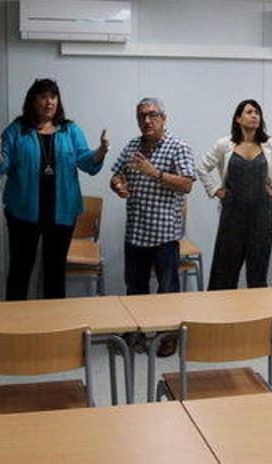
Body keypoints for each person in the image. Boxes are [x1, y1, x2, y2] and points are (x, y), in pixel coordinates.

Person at [0, 78, 108, 300]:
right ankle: (14, 328)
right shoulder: (17, 129)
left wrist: (100, 152)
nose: (49, 102)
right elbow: (1, 165)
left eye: (53, 97)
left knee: (55, 271)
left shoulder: (70, 130)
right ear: (33, 101)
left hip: (62, 212)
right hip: (23, 212)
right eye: (43, 97)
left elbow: (85, 161)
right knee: (20, 271)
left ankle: (54, 328)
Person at [110, 97, 195, 356]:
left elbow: (187, 184)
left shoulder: (177, 147)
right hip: (135, 231)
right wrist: (117, 185)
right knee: (135, 287)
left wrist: (154, 173)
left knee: (167, 289)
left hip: (164, 234)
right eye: (142, 116)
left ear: (163, 118)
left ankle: (168, 335)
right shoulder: (132, 146)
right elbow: (115, 174)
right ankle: (135, 330)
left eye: (152, 115)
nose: (147, 120)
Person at [196, 99, 272, 290]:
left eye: (257, 112)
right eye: (249, 112)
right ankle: (222, 315)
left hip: (262, 214)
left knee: (258, 269)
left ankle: (256, 315)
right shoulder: (225, 144)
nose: (255, 115)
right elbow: (202, 168)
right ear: (238, 118)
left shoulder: (268, 144)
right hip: (232, 214)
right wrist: (215, 190)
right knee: (225, 268)